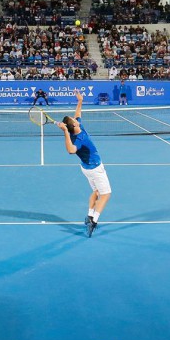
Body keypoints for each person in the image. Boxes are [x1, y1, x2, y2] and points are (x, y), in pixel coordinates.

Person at [55, 90, 111, 238]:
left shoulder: (79, 125)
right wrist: (65, 133)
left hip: (86, 169)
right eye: (73, 119)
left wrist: (80, 100)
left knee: (96, 192)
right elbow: (71, 151)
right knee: (106, 194)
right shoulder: (77, 139)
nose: (75, 118)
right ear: (72, 126)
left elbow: (78, 113)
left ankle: (89, 216)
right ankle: (94, 221)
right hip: (95, 169)